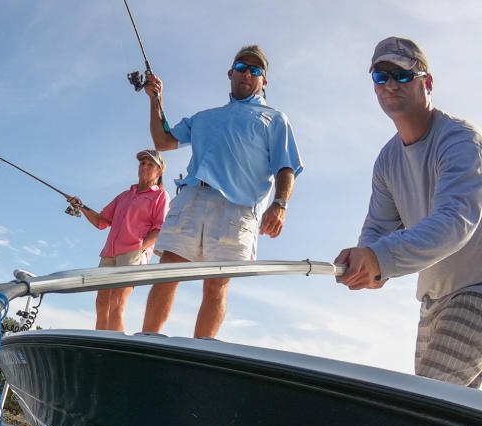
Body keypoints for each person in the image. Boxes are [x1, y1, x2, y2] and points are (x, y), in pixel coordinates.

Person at [335, 37, 482, 388]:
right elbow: (378, 229)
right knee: (452, 420)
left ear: (427, 82)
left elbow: (455, 221)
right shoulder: (387, 161)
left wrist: (380, 258)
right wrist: (367, 266)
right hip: (432, 301)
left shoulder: (461, 141)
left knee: (430, 401)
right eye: (380, 75)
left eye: (402, 75)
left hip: (475, 291)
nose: (389, 85)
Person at [140, 45, 303, 338]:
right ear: (231, 73)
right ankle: (147, 342)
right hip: (193, 196)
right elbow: (163, 140)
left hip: (238, 207)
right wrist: (156, 99)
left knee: (217, 283)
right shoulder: (204, 117)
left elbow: (286, 166)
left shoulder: (276, 119)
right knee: (168, 271)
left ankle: (201, 349)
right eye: (242, 67)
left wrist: (280, 203)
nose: (248, 74)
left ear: (264, 81)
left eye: (256, 70)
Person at [67, 149, 170, 331]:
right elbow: (101, 221)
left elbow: (159, 229)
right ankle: (100, 344)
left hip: (134, 253)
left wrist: (140, 248)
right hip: (110, 252)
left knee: (117, 301)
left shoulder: (160, 196)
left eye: (150, 164)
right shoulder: (124, 195)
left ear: (159, 171)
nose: (144, 166)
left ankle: (112, 346)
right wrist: (81, 207)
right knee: (101, 302)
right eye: (142, 163)